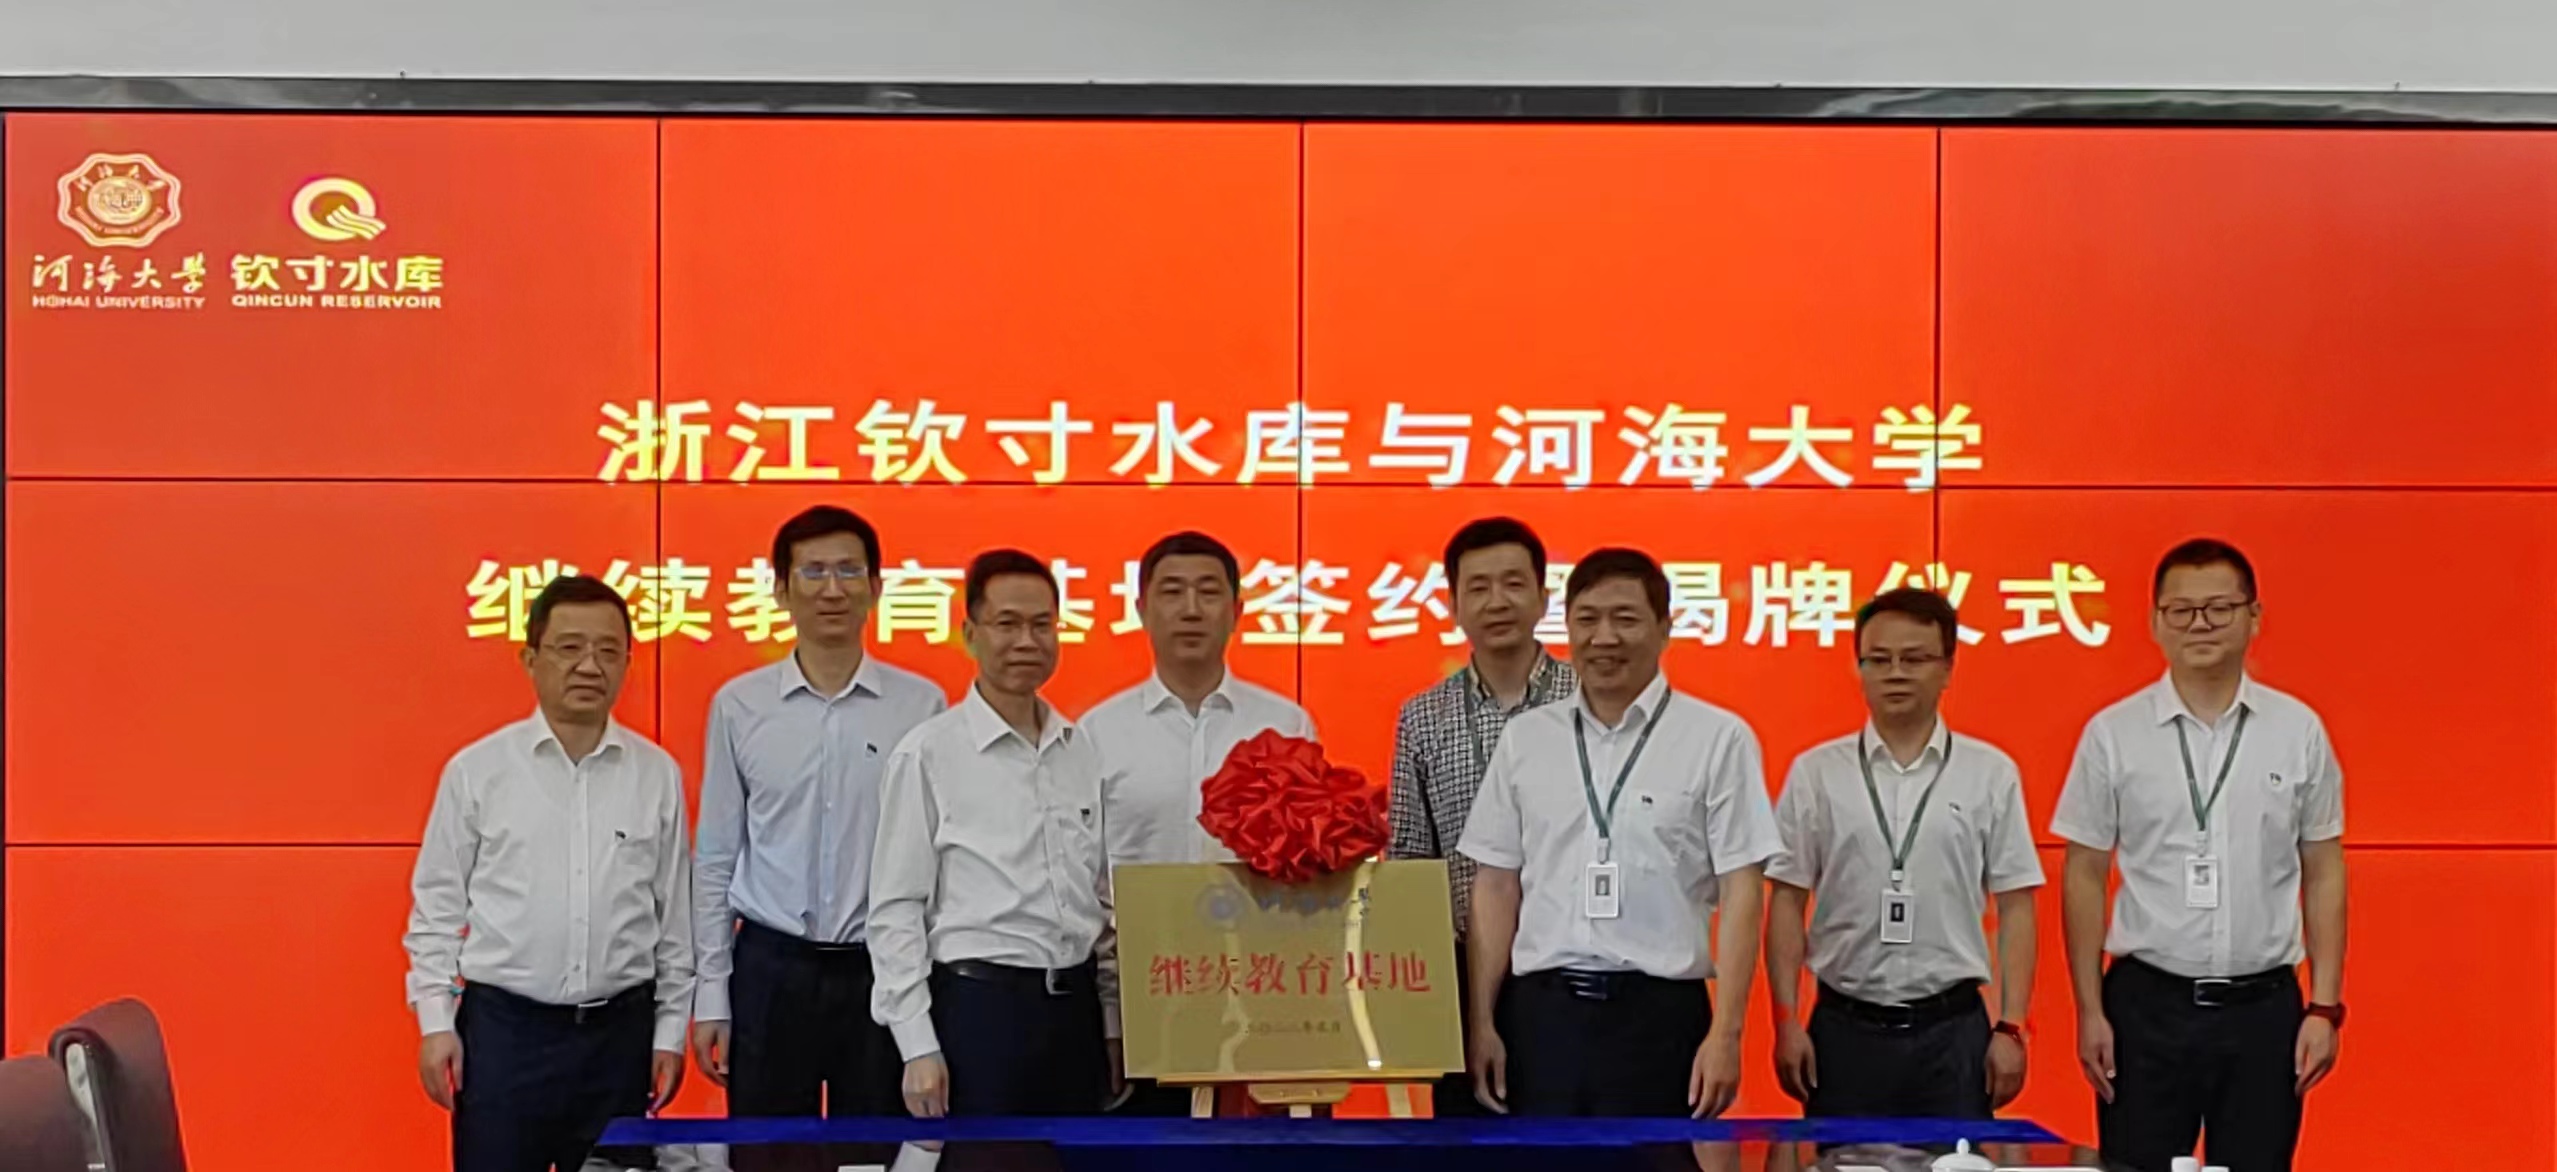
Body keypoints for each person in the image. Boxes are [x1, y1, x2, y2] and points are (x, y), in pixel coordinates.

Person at [2054, 539, 2347, 1172]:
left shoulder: (2297, 730)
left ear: (2254, 617)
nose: (2200, 625)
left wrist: (2324, 1006)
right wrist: (2090, 1010)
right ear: (2156, 621)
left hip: (2265, 1010)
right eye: (2181, 611)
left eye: (2219, 608)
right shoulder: (2113, 733)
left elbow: (2323, 869)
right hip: (2146, 1007)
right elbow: (2084, 873)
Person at [1457, 548, 1780, 1117]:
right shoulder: (1527, 738)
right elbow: (1496, 884)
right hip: (1542, 1016)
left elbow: (1742, 889)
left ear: (1665, 629)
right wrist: (1483, 1021)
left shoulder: (1717, 738)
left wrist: (1727, 1033)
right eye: (1587, 619)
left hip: (1660, 1016)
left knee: (1658, 1159)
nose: (1604, 637)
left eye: (1625, 619)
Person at [405, 575, 693, 1172]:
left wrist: (669, 1033)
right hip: (505, 1038)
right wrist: (435, 1022)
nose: (590, 665)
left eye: (608, 650)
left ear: (627, 663)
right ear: (530, 659)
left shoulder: (656, 774)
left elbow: (674, 923)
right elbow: (436, 909)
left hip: (619, 1038)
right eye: (569, 648)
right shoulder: (478, 771)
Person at [691, 506, 949, 1118]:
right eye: (812, 572)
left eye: (849, 571)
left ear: (876, 588)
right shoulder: (740, 705)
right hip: (771, 967)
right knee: (768, 1151)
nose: (832, 589)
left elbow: (936, 860)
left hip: (880, 968)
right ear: (781, 590)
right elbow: (718, 857)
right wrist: (712, 995)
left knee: (877, 1149)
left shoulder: (922, 706)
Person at [1763, 588, 2042, 1121]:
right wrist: (1786, 1020)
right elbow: (1786, 901)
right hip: (1842, 1030)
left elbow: (2016, 906)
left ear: (1948, 668)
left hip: (1953, 1031)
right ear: (1859, 667)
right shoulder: (1817, 773)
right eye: (1879, 659)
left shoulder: (1990, 773)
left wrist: (2011, 1025)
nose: (1895, 673)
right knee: (1839, 1160)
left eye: (1914, 659)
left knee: (1957, 1160)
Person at [869, 549, 1120, 1117]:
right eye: (1007, 624)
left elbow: (1098, 897)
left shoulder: (1079, 748)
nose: (1026, 641)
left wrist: (1111, 1022)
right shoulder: (929, 752)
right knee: (986, 1157)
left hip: (1074, 1011)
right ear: (970, 634)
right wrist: (917, 1044)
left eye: (1042, 625)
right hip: (979, 1012)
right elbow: (895, 908)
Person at [1082, 531, 1314, 1115]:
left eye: (1208, 592)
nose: (1190, 609)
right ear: (1141, 609)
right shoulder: (1097, 733)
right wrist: (1110, 1019)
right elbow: (1088, 885)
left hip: (1264, 1005)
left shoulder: (1286, 725)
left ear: (1237, 610)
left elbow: (1311, 876)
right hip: (1144, 1002)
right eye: (1172, 592)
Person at [1385, 517, 1578, 1116]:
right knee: (1468, 1142)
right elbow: (1410, 860)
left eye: (1514, 584)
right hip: (1461, 971)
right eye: (1478, 587)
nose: (1497, 601)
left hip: (1572, 964)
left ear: (1543, 597)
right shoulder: (1423, 716)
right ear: (1454, 605)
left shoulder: (1588, 700)